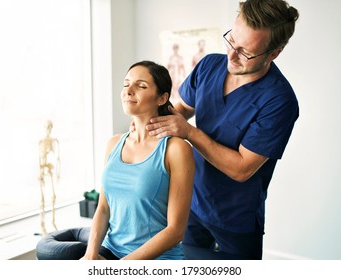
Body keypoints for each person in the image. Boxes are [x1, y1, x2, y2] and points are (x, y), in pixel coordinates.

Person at [145, 0, 299, 260]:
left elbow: (242, 169)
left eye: (246, 52)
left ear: (273, 54)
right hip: (191, 202)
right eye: (230, 41)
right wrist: (150, 119)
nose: (231, 55)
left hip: (236, 218)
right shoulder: (209, 66)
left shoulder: (279, 100)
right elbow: (182, 108)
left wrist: (189, 133)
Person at [81, 61, 195, 260]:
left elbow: (176, 230)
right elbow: (103, 208)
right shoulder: (113, 143)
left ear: (162, 98)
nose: (128, 91)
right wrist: (91, 255)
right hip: (111, 251)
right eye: (126, 84)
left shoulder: (176, 149)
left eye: (141, 86)